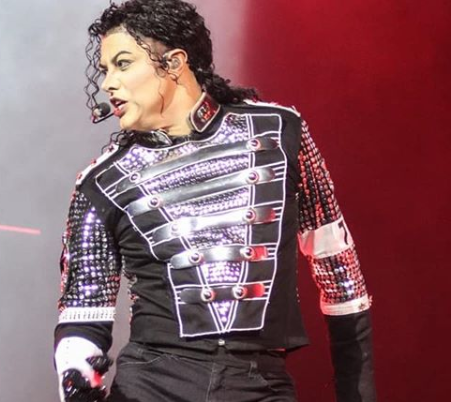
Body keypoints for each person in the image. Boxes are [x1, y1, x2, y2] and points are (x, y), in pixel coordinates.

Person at [54, 0, 376, 401]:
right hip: (152, 386)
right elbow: (83, 312)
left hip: (262, 385)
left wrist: (357, 393)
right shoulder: (100, 182)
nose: (108, 84)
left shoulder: (279, 132)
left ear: (174, 63)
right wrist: (77, 375)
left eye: (123, 64)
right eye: (105, 70)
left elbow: (339, 271)